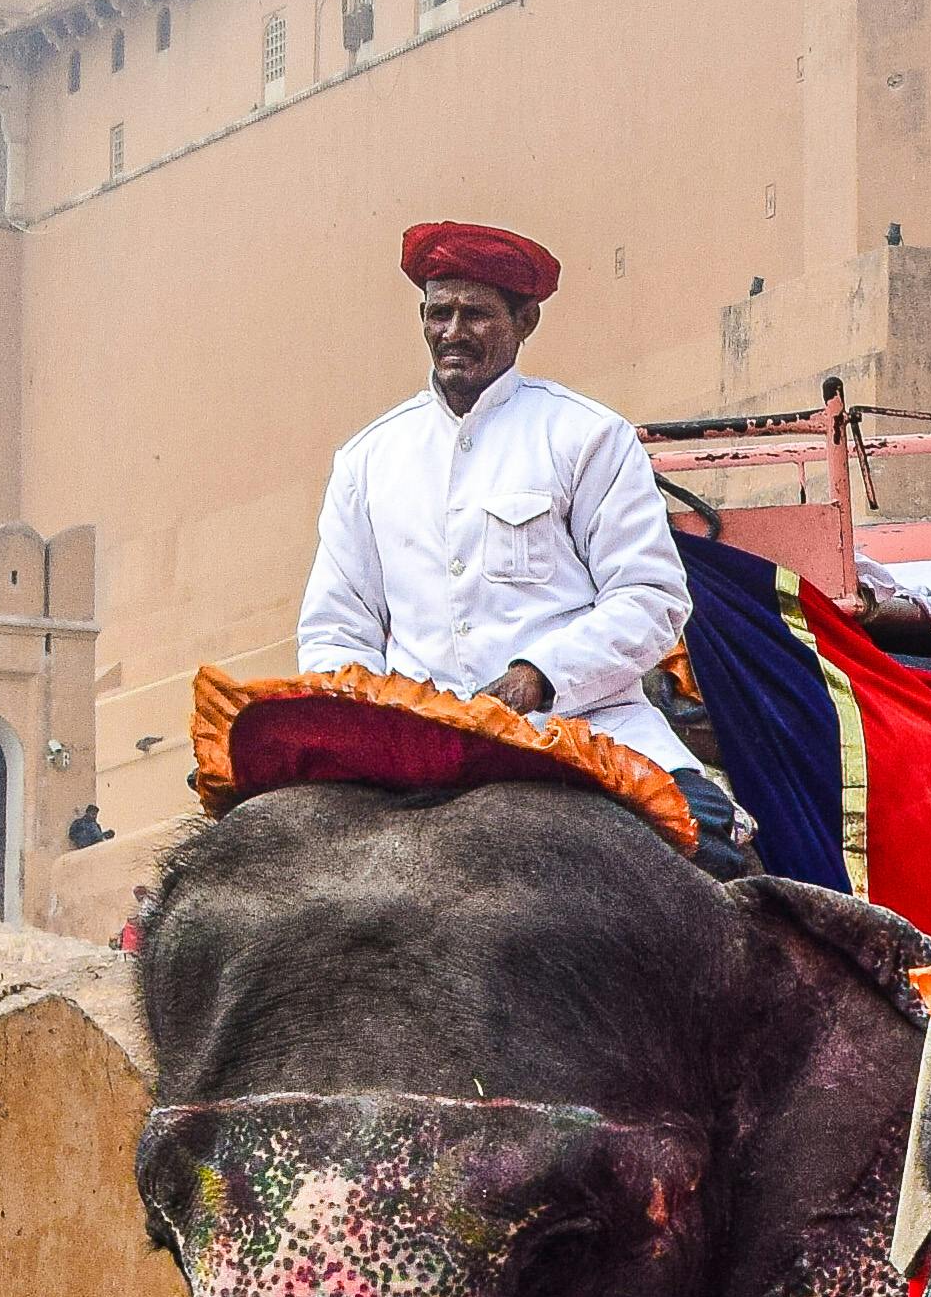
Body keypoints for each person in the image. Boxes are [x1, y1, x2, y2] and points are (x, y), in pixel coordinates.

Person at [300, 217, 748, 860]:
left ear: (525, 320)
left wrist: (537, 677)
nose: (452, 334)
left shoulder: (588, 436)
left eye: (475, 315)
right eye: (438, 314)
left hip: (587, 731)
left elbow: (652, 600)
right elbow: (336, 630)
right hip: (416, 756)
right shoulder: (368, 459)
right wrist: (370, 724)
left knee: (709, 848)